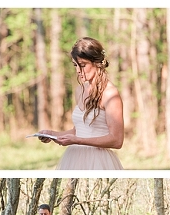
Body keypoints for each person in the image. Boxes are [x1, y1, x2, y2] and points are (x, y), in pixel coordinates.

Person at [36, 37, 124, 170]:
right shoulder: (80, 90)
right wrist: (53, 134)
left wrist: (78, 141)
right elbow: (79, 130)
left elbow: (117, 140)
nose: (78, 70)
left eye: (82, 65)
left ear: (97, 63)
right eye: (75, 65)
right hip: (74, 157)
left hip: (98, 160)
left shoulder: (110, 94)